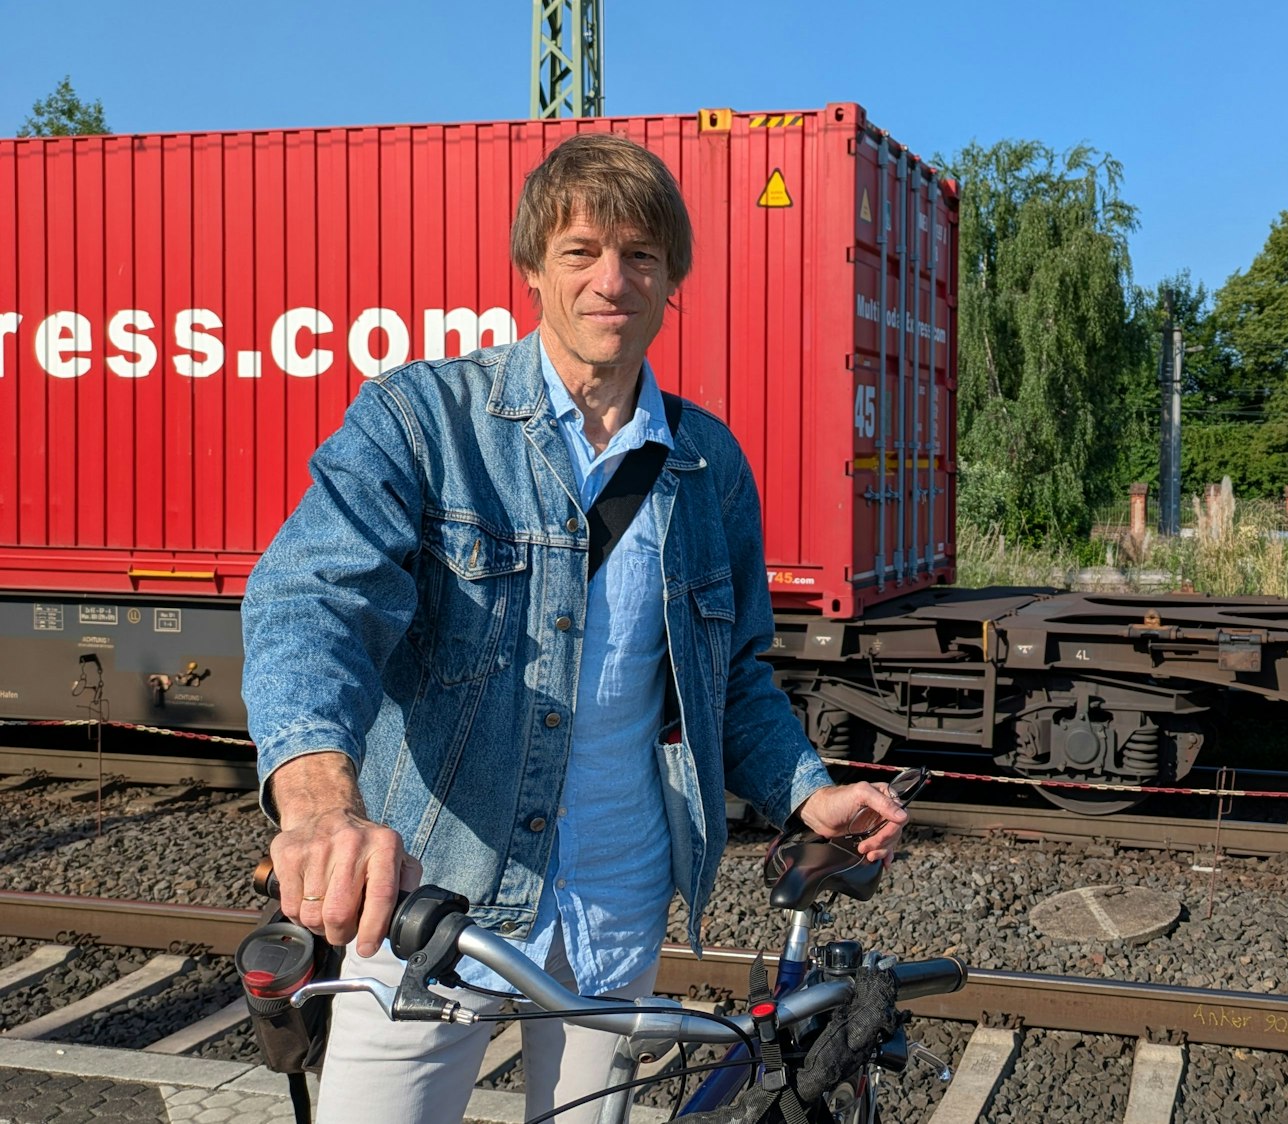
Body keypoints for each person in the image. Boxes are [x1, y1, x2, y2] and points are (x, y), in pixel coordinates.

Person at [242, 132, 907, 1124]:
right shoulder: (423, 421)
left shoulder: (704, 463)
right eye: (581, 250)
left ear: (671, 276)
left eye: (640, 254)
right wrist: (319, 805)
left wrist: (807, 791)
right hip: (437, 895)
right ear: (531, 268)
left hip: (617, 896)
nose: (613, 279)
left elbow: (730, 680)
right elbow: (312, 598)